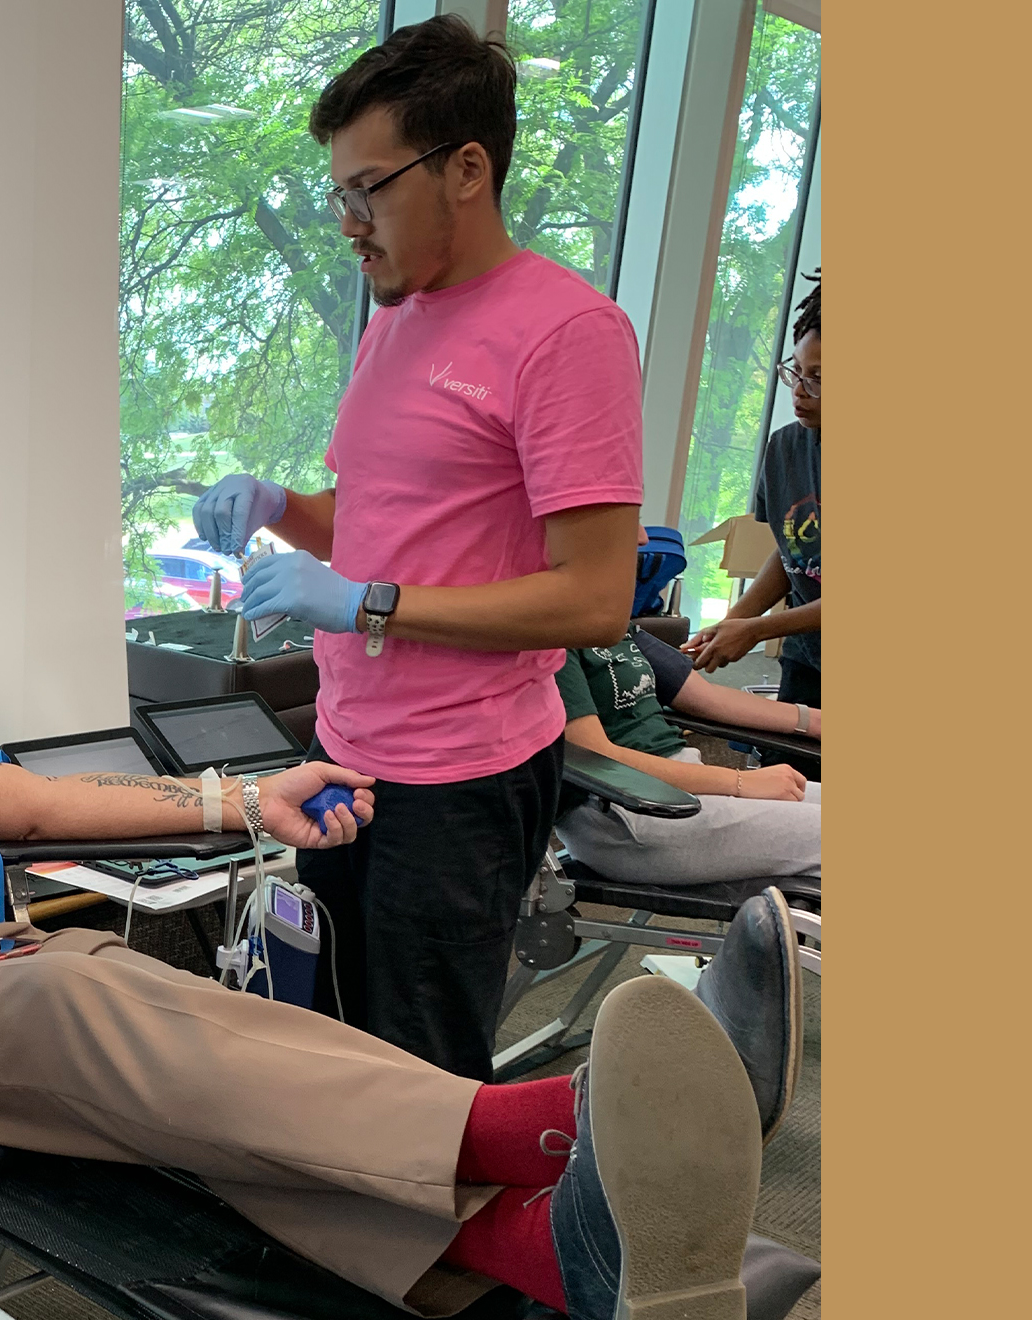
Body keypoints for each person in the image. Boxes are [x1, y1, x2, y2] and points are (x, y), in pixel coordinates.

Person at [0, 545, 790, 1318]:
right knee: (71, 998)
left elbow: (44, 799)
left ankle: (570, 1255)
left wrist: (239, 798)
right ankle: (567, 1119)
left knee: (195, 1054)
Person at [193, 17, 644, 1081]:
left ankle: (445, 1243)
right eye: (337, 194)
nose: (348, 223)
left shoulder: (566, 334)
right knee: (331, 1036)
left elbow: (594, 600)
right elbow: (368, 525)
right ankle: (343, 1235)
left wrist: (369, 606)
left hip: (462, 776)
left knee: (421, 1074)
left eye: (369, 190)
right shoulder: (396, 317)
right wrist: (274, 506)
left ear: (467, 169)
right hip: (349, 751)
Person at [556, 615, 821, 887]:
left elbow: (707, 697)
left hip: (683, 782)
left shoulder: (614, 623)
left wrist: (814, 721)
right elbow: (597, 759)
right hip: (627, 809)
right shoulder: (552, 635)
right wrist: (740, 782)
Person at [684, 272, 822, 711]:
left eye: (819, 378)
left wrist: (759, 630)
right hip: (809, 660)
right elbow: (793, 555)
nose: (799, 392)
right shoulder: (786, 446)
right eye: (796, 371)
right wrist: (734, 621)